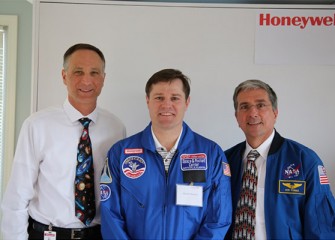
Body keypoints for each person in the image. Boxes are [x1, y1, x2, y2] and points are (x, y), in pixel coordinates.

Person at [1, 43, 126, 240]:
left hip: (99, 235)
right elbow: (17, 196)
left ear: (103, 78)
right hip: (48, 234)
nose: (86, 80)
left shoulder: (116, 128)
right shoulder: (37, 125)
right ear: (64, 76)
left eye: (94, 72)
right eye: (78, 71)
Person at [100, 68, 232, 239]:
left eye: (175, 98)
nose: (166, 105)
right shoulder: (120, 153)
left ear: (187, 102)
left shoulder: (212, 154)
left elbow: (218, 219)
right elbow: (111, 216)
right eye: (159, 98)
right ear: (148, 101)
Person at [225, 79, 335, 239]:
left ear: (275, 113)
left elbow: (322, 227)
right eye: (244, 107)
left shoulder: (305, 160)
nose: (253, 113)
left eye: (261, 105)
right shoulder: (225, 161)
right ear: (237, 117)